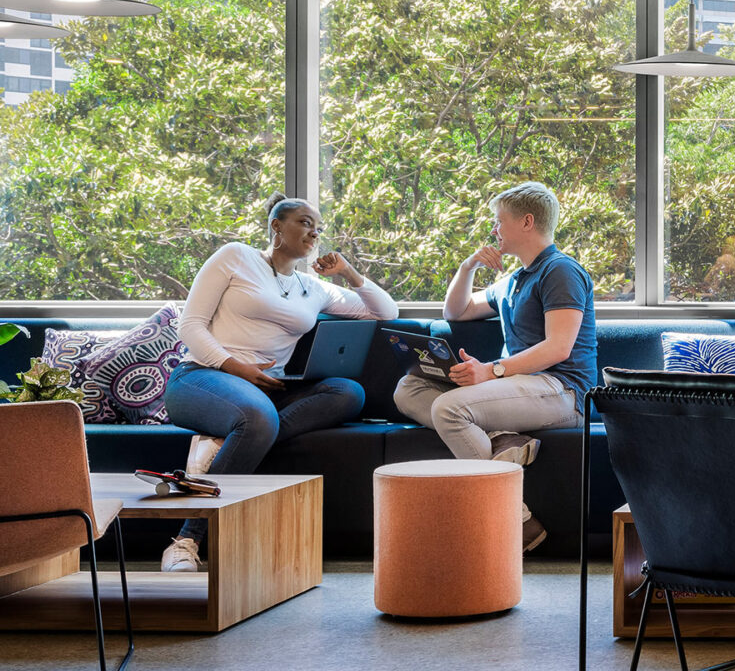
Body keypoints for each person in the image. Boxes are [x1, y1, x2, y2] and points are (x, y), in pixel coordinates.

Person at [164, 195, 398, 572]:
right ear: (276, 226)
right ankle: (185, 541)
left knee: (348, 392)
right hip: (203, 377)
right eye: (305, 222)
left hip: (267, 388)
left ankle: (234, 442)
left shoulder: (313, 288)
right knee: (257, 418)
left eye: (318, 227)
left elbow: (385, 311)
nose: (315, 232)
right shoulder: (235, 256)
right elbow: (190, 326)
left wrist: (349, 273)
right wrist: (237, 367)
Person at [394, 182, 596, 553]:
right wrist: (468, 265)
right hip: (520, 390)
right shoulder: (515, 279)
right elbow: (457, 311)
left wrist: (491, 371)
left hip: (562, 392)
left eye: (498, 221)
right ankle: (503, 438)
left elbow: (559, 347)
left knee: (449, 408)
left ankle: (515, 520)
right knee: (408, 389)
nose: (494, 230)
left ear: (527, 222)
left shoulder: (560, 271)